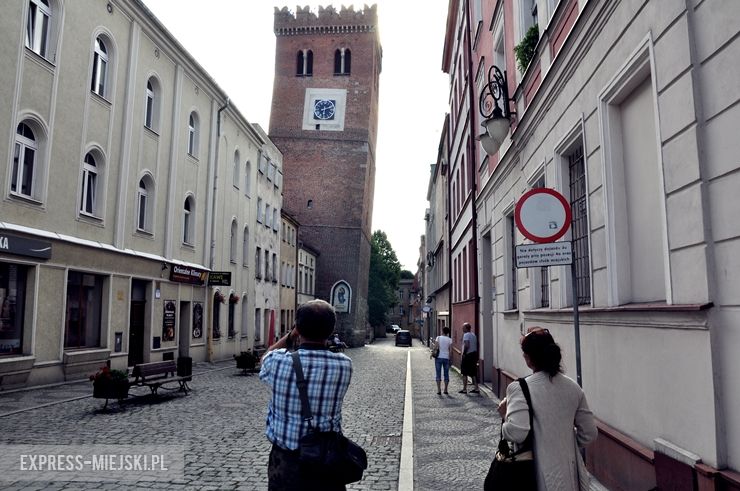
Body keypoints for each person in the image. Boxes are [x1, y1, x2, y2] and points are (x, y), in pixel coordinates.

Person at [259, 299, 353, 491]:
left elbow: (266, 355)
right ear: (331, 330)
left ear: (298, 329)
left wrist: (292, 334)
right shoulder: (344, 365)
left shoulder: (277, 362)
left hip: (285, 462)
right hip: (326, 461)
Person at [497, 327, 598, 491]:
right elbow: (590, 433)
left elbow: (517, 432)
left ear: (529, 359)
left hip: (535, 474)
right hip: (569, 474)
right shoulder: (573, 387)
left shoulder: (519, 388)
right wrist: (565, 444)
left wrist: (504, 416)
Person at [459, 322, 479, 394]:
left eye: (463, 328)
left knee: (464, 372)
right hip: (474, 355)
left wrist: (464, 353)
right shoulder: (473, 335)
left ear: (466, 328)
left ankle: (464, 389)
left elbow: (467, 345)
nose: (462, 329)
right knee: (473, 372)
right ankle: (476, 388)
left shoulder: (466, 335)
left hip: (468, 355)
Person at [433, 327, 453, 395]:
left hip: (438, 357)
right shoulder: (450, 340)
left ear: (442, 331)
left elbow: (436, 347)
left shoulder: (438, 338)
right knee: (446, 374)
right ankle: (446, 389)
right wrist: (450, 359)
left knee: (438, 374)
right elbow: (450, 350)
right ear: (448, 332)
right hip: (446, 358)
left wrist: (432, 353)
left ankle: (439, 390)